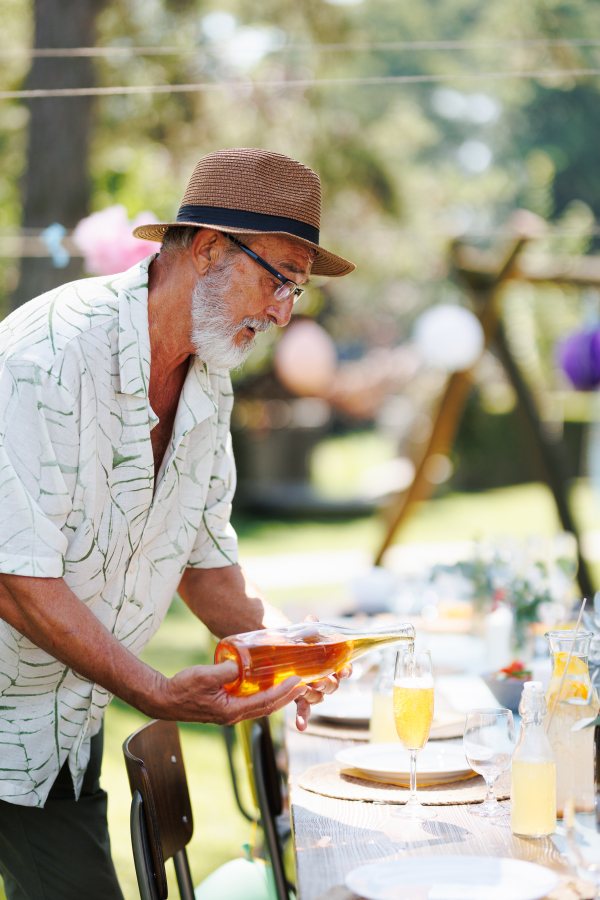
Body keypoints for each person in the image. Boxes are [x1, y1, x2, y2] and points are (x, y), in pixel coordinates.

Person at [0, 148, 355, 900]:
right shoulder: (51, 352)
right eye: (280, 279)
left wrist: (294, 652)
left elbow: (201, 559)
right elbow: (16, 578)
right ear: (208, 249)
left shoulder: (207, 377)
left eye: (297, 289)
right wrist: (156, 691)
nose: (284, 312)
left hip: (57, 725)